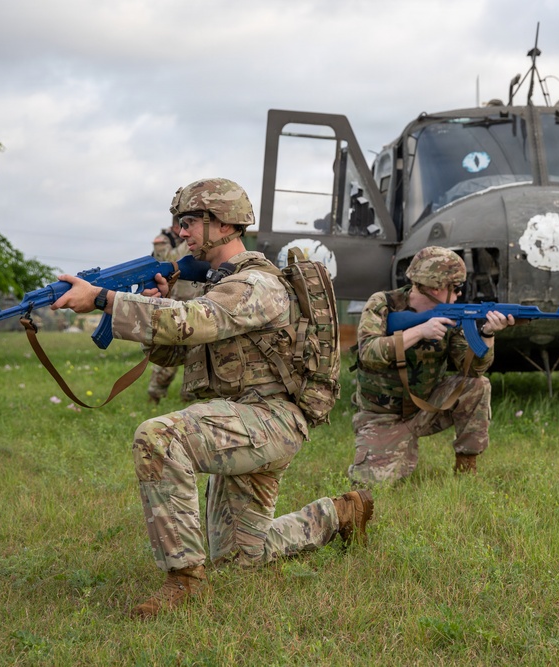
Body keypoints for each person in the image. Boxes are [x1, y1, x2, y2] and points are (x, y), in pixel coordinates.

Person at [51, 178, 373, 618]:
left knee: (160, 436)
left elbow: (196, 321)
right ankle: (340, 514)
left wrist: (105, 299)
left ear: (221, 223)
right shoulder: (219, 285)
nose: (180, 233)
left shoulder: (257, 284)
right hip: (244, 422)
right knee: (242, 558)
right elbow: (178, 347)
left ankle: (184, 580)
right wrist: (157, 305)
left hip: (271, 421)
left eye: (188, 222)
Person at [348, 247, 514, 484]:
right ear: (436, 287)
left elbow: (473, 370)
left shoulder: (453, 315)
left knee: (478, 385)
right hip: (382, 416)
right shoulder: (383, 304)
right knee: (370, 485)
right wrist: (419, 331)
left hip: (428, 408)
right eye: (456, 288)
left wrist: (487, 334)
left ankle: (466, 471)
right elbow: (367, 353)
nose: (459, 295)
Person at [146, 220, 202, 405]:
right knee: (168, 359)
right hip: (173, 305)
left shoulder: (187, 244)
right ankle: (155, 394)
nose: (186, 232)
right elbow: (168, 262)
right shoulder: (165, 241)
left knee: (196, 355)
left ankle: (191, 395)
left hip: (193, 305)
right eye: (184, 227)